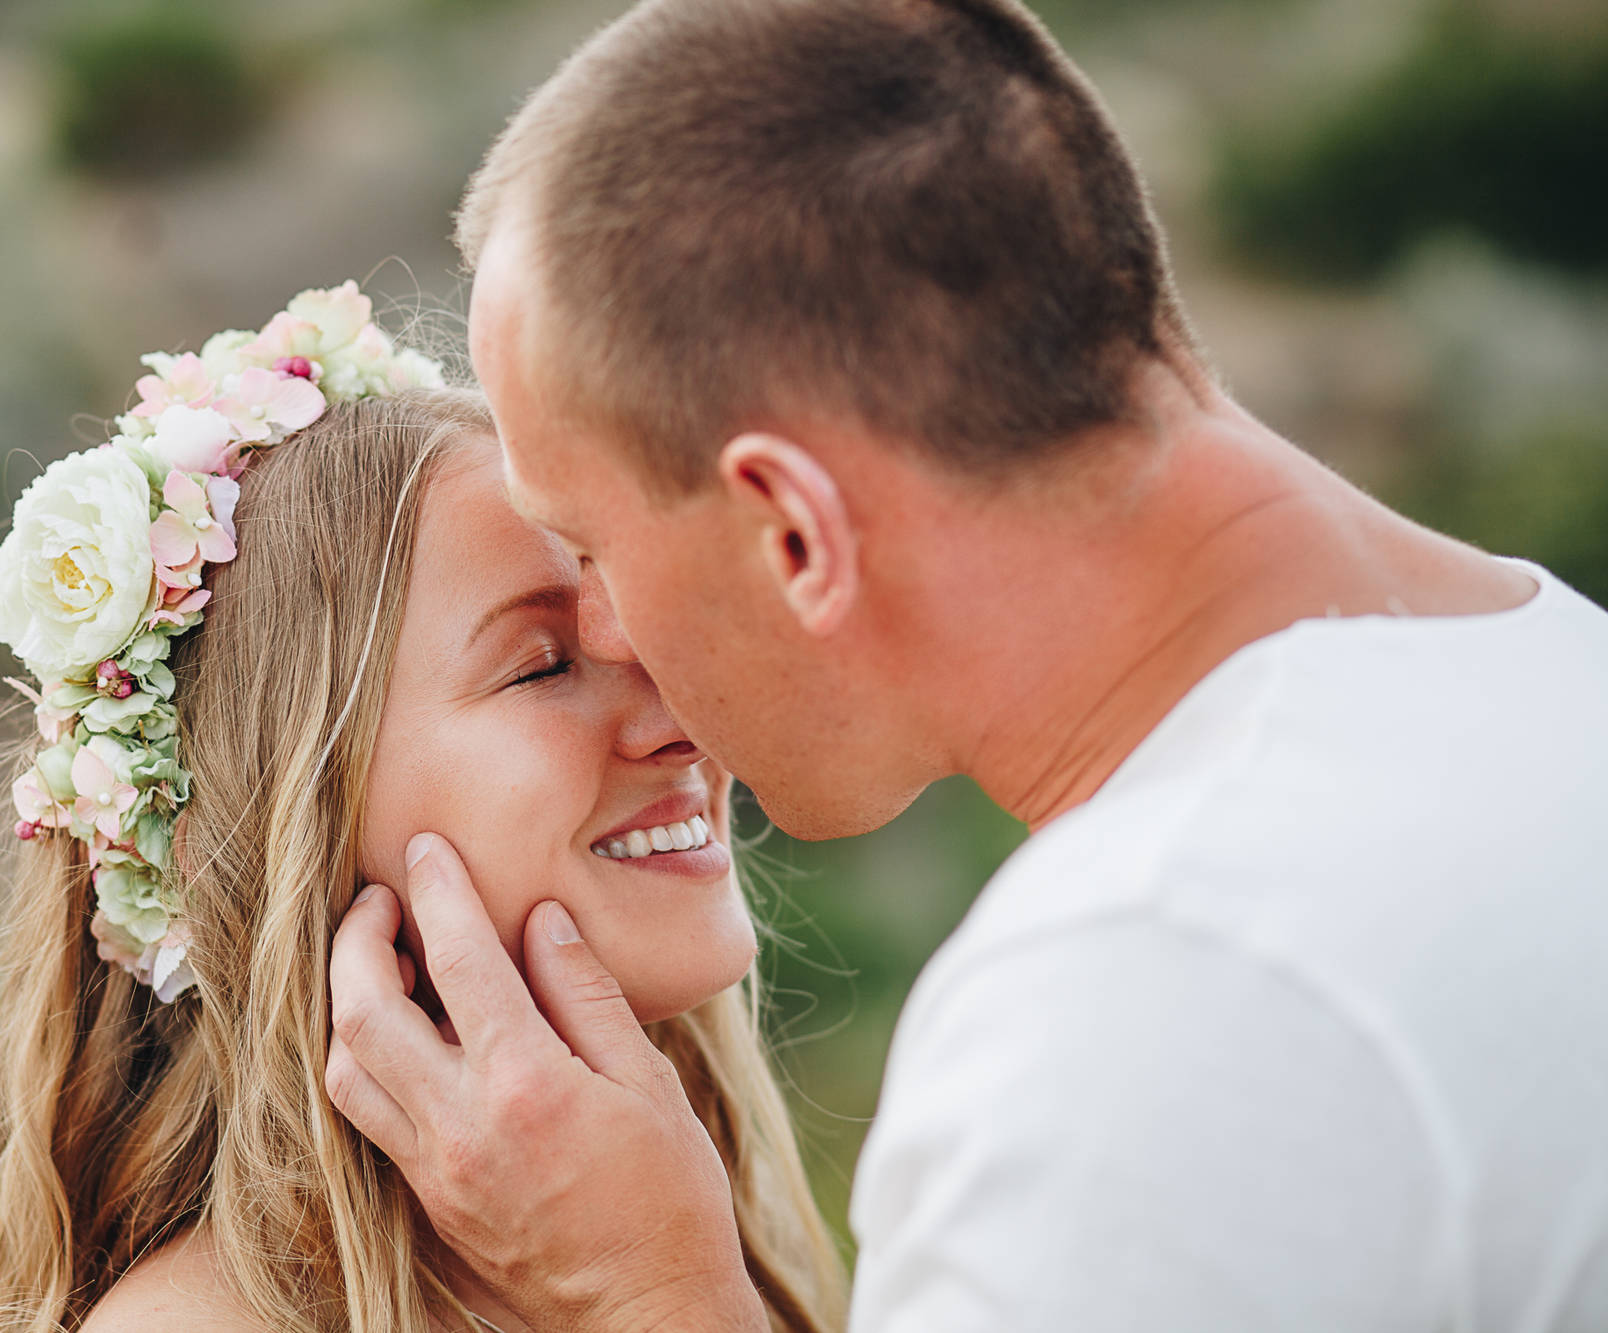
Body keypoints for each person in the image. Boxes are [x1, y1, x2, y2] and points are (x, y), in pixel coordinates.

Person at [324, 1, 1608, 1330]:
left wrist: (644, 1291)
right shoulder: (1565, 679)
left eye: (594, 547)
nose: (608, 638)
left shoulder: (1156, 1009)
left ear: (794, 531)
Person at [0, 282, 847, 1333]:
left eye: (647, 636)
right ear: (266, 827)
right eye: (542, 665)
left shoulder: (689, 1223)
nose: (685, 715)